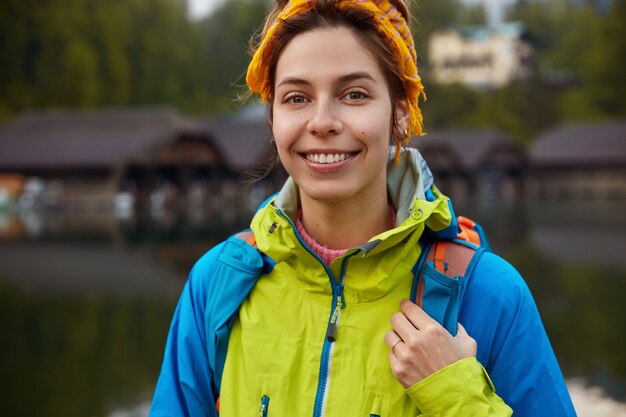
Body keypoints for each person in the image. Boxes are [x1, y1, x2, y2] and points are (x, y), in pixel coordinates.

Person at [149, 0, 576, 416]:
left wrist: (457, 396)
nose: (322, 122)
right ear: (273, 117)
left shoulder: (490, 294)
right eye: (296, 98)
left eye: (354, 94)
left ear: (402, 114)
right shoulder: (220, 284)